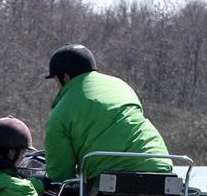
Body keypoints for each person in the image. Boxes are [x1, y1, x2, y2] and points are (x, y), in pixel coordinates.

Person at [43, 44, 174, 184]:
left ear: (65, 78)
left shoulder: (61, 112)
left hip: (110, 182)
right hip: (159, 166)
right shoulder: (121, 85)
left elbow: (60, 175)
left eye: (56, 81)